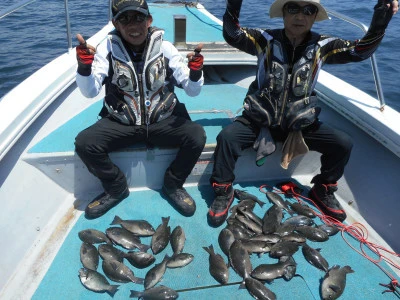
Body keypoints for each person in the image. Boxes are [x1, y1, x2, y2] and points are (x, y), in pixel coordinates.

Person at [208, 0, 398, 226]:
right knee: (227, 138)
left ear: (314, 16)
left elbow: (360, 51)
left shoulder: (324, 45)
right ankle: (223, 190)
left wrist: (381, 18)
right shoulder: (264, 40)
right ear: (283, 14)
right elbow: (233, 34)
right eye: (293, 9)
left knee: (342, 143)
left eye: (308, 10)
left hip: (299, 126)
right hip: (260, 121)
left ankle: (322, 188)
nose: (300, 16)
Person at [74, 0, 206, 219]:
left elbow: (192, 91)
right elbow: (90, 91)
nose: (133, 25)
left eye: (138, 17)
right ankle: (116, 187)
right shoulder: (106, 49)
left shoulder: (165, 47)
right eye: (124, 19)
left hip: (162, 119)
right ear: (115, 24)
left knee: (196, 135)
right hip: (122, 122)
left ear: (149, 20)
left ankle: (173, 184)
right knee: (85, 143)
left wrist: (195, 72)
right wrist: (84, 67)